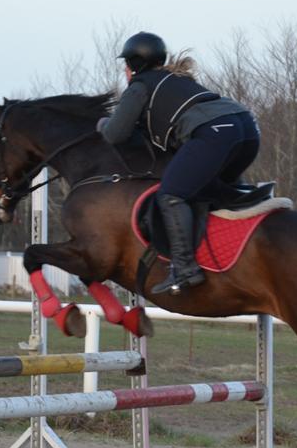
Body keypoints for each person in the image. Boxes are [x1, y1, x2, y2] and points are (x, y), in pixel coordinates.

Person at [97, 31, 261, 295]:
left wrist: (102, 123)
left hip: (215, 132)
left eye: (125, 66)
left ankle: (185, 269)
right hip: (246, 128)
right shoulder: (175, 79)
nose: (125, 71)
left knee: (172, 194)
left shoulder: (140, 85)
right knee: (207, 191)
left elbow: (116, 133)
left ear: (133, 65)